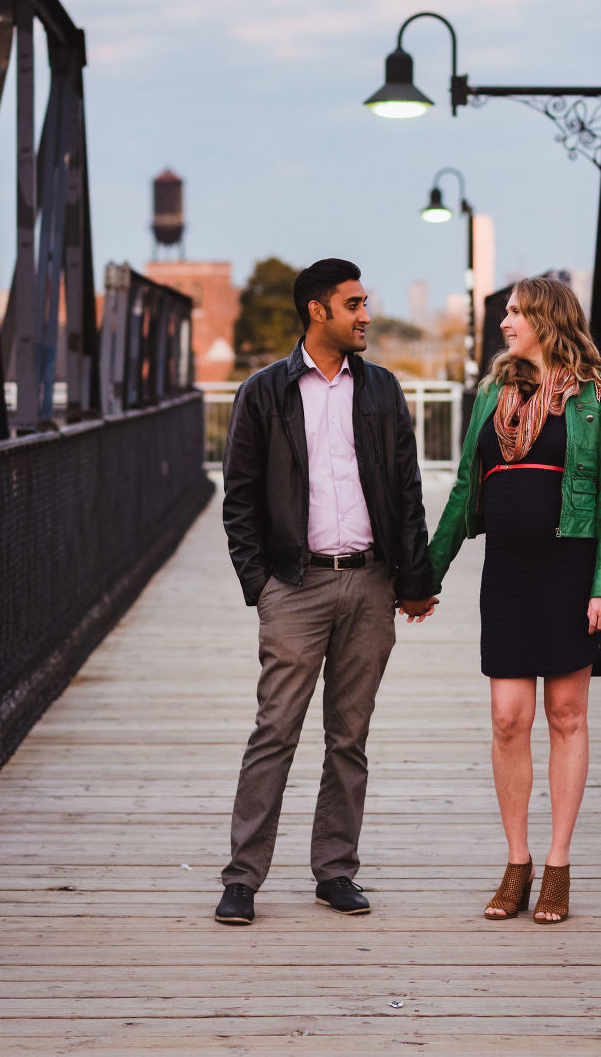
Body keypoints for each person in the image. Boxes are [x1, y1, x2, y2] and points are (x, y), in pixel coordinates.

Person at [216, 258, 438, 924]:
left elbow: (407, 491)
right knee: (274, 731)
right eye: (354, 303)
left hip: (370, 582)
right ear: (318, 311)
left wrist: (414, 580)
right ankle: (242, 879)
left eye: (365, 302)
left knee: (350, 737)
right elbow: (239, 498)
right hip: (294, 583)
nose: (365, 314)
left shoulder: (383, 390)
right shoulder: (264, 392)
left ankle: (335, 870)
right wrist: (262, 585)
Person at [428, 275, 601, 924]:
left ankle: (558, 865)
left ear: (546, 318)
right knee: (509, 717)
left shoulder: (599, 395)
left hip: (570, 568)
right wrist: (425, 576)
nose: (506, 321)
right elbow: (464, 490)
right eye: (505, 311)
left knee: (566, 713)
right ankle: (516, 862)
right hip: (508, 571)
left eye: (515, 312)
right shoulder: (494, 391)